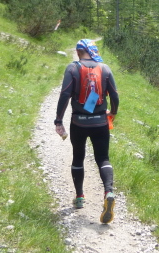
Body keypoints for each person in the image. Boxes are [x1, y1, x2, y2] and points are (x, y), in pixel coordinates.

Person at [55, 39, 119, 224]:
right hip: (100, 123)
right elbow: (114, 95)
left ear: (78, 52)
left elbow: (65, 94)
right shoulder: (105, 69)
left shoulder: (72, 68)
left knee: (78, 157)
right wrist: (113, 113)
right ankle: (108, 192)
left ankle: (80, 197)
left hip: (78, 123)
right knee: (103, 158)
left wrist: (59, 120)